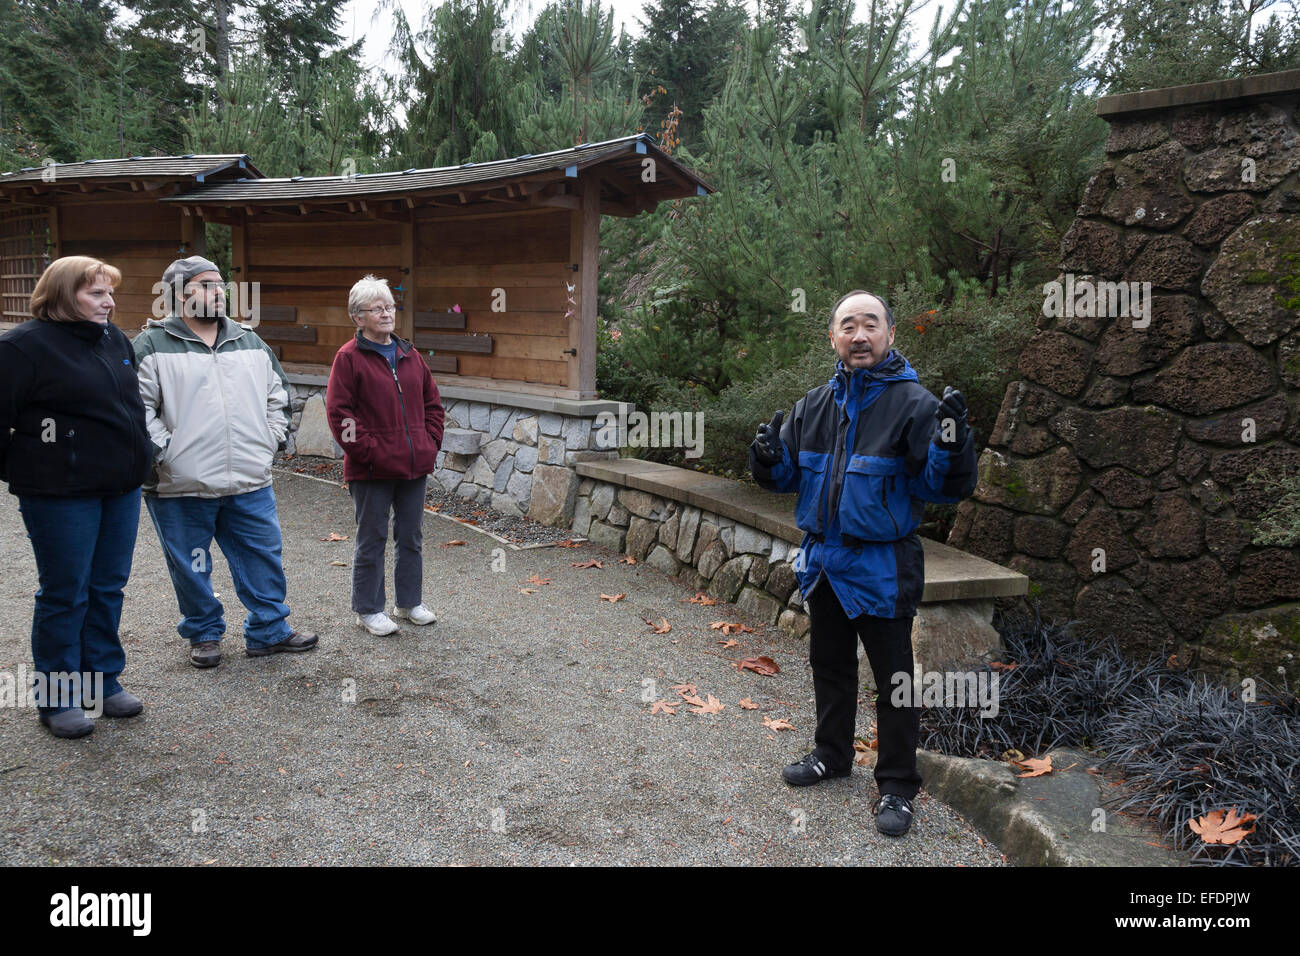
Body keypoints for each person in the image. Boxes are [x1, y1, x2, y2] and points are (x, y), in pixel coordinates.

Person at [749, 290, 978, 837]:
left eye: (869, 324)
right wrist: (765, 458)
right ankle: (832, 754)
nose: (859, 335)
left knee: (895, 681)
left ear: (889, 335)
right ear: (833, 337)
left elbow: (943, 490)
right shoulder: (813, 405)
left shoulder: (917, 406)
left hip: (883, 568)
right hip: (825, 564)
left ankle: (897, 785)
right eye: (847, 325)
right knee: (830, 668)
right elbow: (783, 480)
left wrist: (952, 445)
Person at [134, 255, 317, 668]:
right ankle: (204, 633)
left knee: (262, 555)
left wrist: (267, 443)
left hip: (249, 481)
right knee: (190, 565)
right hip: (180, 485)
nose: (217, 291)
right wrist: (166, 455)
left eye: (219, 284)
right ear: (178, 296)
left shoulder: (250, 341)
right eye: (204, 284)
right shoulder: (150, 345)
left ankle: (269, 630)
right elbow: (136, 410)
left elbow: (279, 397)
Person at [0, 256, 153, 737]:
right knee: (66, 592)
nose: (109, 302)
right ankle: (59, 696)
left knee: (108, 587)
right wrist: (33, 469)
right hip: (60, 497)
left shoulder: (114, 339)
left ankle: (102, 681)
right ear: (64, 294)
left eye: (110, 292)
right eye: (96, 293)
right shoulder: (21, 347)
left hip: (120, 489)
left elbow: (128, 409)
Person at [326, 275, 444, 636]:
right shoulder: (348, 358)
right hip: (371, 470)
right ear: (357, 317)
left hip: (413, 466)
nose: (387, 313)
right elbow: (339, 414)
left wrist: (429, 442)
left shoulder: (411, 355)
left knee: (411, 536)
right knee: (372, 538)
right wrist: (370, 452)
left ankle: (408, 602)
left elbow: (433, 405)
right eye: (377, 309)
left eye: (390, 307)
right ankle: (369, 608)